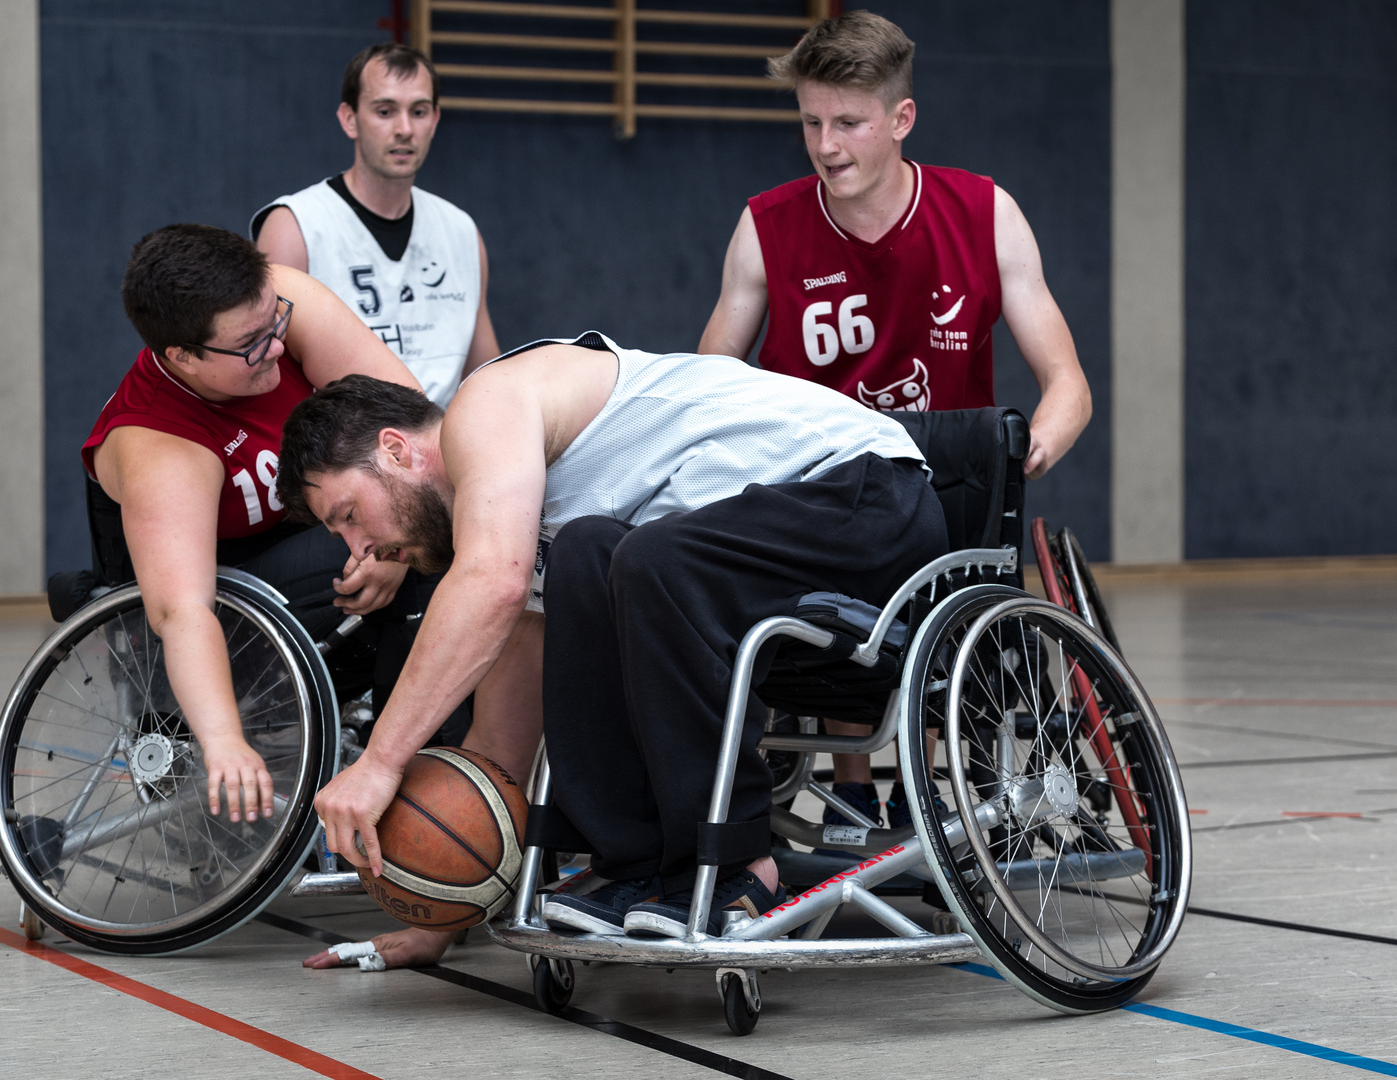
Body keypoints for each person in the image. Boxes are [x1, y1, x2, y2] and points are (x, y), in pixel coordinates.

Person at [280, 331, 945, 959]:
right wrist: (444, 906)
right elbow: (498, 748)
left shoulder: (486, 407)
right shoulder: (522, 517)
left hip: (864, 494)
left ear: (397, 450)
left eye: (348, 515)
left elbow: (491, 584)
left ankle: (742, 858)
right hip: (730, 551)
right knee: (587, 552)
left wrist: (378, 763)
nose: (358, 549)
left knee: (647, 556)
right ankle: (635, 865)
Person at [697, 10, 1092, 831]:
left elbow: (1069, 384)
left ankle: (941, 782)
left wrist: (1029, 450)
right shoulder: (766, 228)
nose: (826, 144)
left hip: (947, 499)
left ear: (901, 118)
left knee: (943, 563)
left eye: (849, 122)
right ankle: (851, 789)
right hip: (822, 497)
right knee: (823, 567)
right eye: (811, 122)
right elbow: (710, 385)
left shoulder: (984, 214)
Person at [78, 224, 489, 834]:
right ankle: (428, 798)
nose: (275, 346)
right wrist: (222, 741)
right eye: (250, 344)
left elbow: (406, 424)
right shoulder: (159, 447)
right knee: (439, 556)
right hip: (219, 603)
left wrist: (395, 544)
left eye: (275, 323)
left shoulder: (280, 306)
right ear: (183, 356)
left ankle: (446, 773)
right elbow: (182, 614)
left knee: (445, 526)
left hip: (316, 547)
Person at [251, 42, 498, 408]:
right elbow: (269, 380)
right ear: (349, 118)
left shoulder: (461, 231)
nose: (404, 129)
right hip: (340, 453)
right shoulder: (294, 227)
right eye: (385, 111)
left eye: (418, 111)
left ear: (435, 119)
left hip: (443, 446)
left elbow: (486, 374)